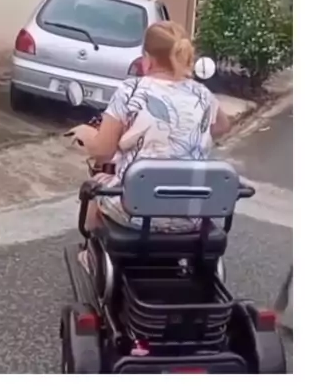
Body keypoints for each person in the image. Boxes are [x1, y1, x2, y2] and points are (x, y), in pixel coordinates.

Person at [67, 21, 230, 269]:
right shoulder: (203, 94)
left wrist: (87, 134)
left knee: (98, 184)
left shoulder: (130, 91)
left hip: (135, 213)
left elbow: (104, 151)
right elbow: (222, 126)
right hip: (193, 215)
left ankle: (90, 255)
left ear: (147, 59)